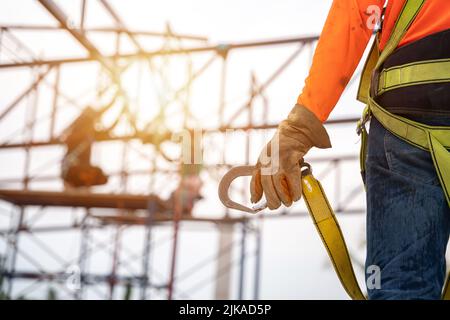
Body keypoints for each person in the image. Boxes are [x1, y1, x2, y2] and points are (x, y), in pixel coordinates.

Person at [250, 0, 450, 299]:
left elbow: (355, 12)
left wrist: (300, 126)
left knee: (401, 285)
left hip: (408, 114)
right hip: (408, 114)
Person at [61, 95, 119, 189]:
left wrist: (119, 113)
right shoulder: (76, 132)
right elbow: (98, 114)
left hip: (76, 169)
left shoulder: (89, 133)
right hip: (72, 168)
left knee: (100, 176)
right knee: (97, 173)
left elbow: (108, 130)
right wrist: (114, 102)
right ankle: (83, 178)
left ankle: (82, 179)